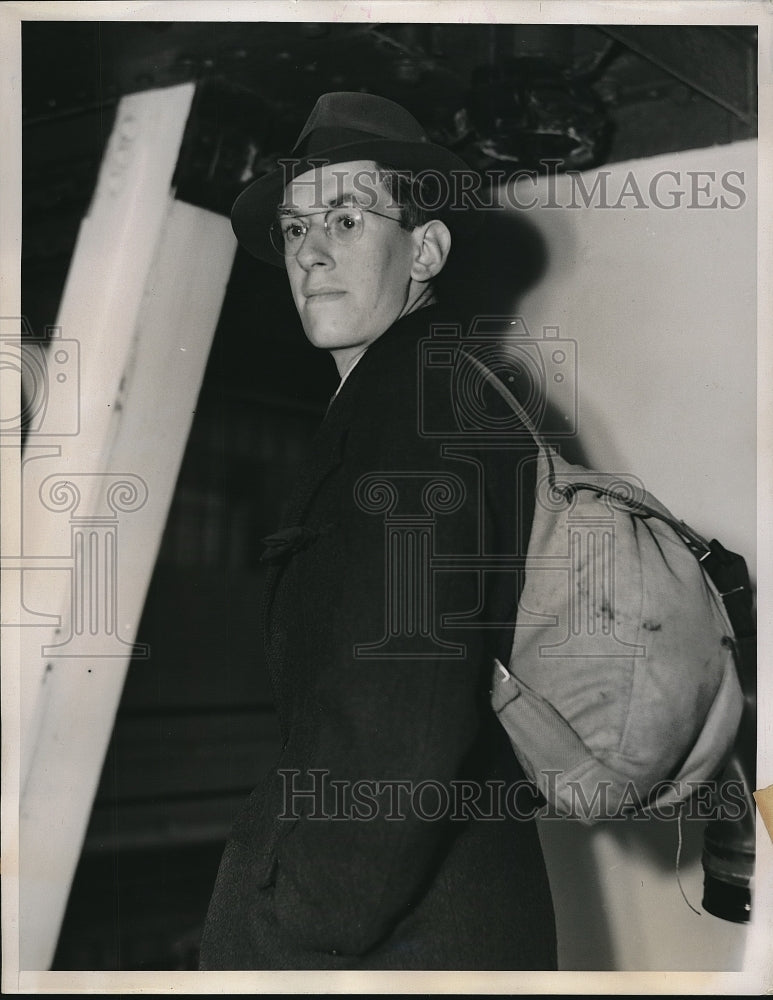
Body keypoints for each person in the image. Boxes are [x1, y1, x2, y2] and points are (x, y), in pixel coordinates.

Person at [199, 92, 557, 971]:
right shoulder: (416, 395)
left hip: (390, 936)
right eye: (292, 230)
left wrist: (293, 933)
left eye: (347, 219)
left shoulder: (419, 404)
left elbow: (402, 707)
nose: (309, 253)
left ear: (424, 249)